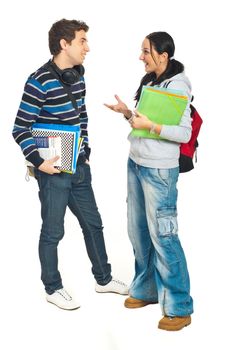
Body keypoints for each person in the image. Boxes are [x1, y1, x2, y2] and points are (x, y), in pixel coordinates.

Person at [12, 18, 128, 310]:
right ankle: (53, 288)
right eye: (82, 41)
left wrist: (85, 150)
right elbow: (20, 128)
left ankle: (104, 280)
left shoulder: (78, 76)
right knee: (53, 232)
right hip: (52, 172)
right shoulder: (38, 81)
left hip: (78, 165)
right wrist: (39, 163)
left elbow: (82, 117)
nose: (87, 47)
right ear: (64, 44)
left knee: (94, 224)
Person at [105, 31, 193, 331]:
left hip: (159, 171)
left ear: (163, 55)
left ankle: (180, 306)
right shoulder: (151, 82)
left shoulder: (178, 85)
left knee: (165, 237)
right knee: (138, 231)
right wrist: (127, 114)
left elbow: (182, 133)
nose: (141, 56)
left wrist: (151, 125)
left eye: (146, 51)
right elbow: (142, 124)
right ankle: (146, 290)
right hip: (136, 164)